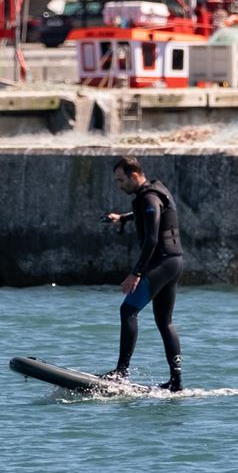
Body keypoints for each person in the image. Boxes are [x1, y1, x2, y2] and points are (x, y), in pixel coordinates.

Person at [104, 154, 186, 390]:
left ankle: (121, 372)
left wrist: (136, 273)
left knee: (128, 310)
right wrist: (123, 218)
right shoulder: (155, 191)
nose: (119, 186)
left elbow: (151, 239)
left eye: (121, 181)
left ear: (135, 175)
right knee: (165, 322)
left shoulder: (148, 198)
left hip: (160, 262)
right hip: (174, 261)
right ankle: (176, 381)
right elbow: (154, 214)